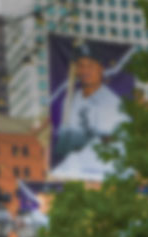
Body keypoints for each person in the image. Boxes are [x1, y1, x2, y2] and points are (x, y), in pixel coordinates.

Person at [53, 42, 129, 178]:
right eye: (80, 66)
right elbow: (66, 143)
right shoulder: (72, 99)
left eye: (90, 65)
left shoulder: (112, 102)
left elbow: (113, 139)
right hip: (73, 172)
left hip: (104, 172)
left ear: (100, 68)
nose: (85, 71)